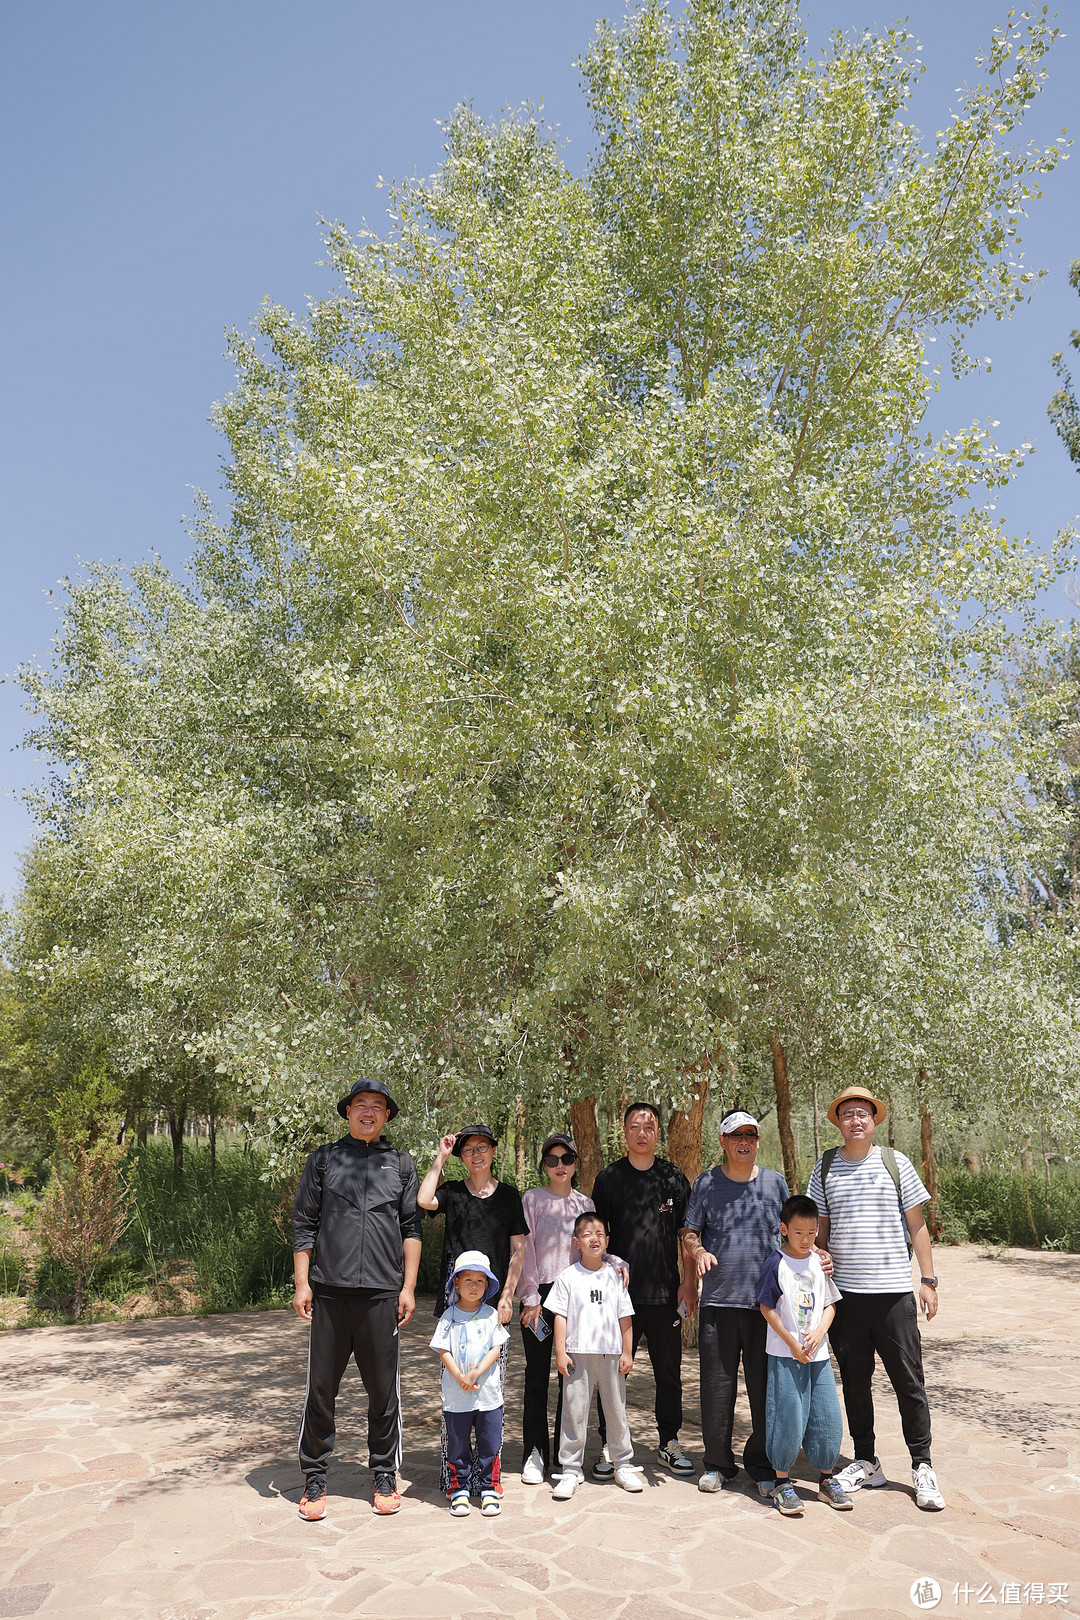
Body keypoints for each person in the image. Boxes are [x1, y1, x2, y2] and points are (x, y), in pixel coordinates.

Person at [806, 1085, 946, 1512]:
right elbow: (819, 1231)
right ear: (839, 1122)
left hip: (894, 1298)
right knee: (855, 1382)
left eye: (862, 1113)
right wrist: (818, 1255)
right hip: (846, 1298)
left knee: (909, 1382)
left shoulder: (895, 1164)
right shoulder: (825, 1166)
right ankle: (866, 1460)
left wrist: (928, 1279)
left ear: (874, 1119)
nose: (855, 1120)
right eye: (847, 1113)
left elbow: (917, 1224)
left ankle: (922, 1466)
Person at [292, 1079, 421, 1520]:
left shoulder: (400, 1164)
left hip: (383, 1295)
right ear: (347, 1112)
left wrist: (408, 1288)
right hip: (329, 1293)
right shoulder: (325, 1159)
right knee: (321, 1390)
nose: (369, 1111)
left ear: (387, 1116)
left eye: (378, 1106)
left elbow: (412, 1229)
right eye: (361, 1104)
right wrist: (302, 1283)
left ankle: (384, 1474)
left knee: (384, 1393)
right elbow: (304, 1224)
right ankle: (314, 1476)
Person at [680, 1110, 791, 1495]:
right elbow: (690, 1232)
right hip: (719, 1303)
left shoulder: (777, 1184)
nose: (744, 1141)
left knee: (765, 1391)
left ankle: (762, 1466)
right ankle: (717, 1464)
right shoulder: (707, 1183)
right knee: (717, 1388)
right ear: (724, 1141)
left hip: (767, 1307)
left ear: (757, 1140)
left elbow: (792, 1236)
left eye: (750, 1134)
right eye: (735, 1135)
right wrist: (698, 1253)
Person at [419, 1123, 527, 1493]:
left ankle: (487, 1478)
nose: (476, 1154)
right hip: (455, 1308)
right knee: (455, 1394)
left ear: (494, 1152)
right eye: (469, 1150)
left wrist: (508, 1295)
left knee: (490, 1395)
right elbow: (423, 1200)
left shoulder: (510, 1197)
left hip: (493, 1310)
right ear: (462, 1157)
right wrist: (441, 1156)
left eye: (483, 1147)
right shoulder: (452, 1192)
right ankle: (456, 1477)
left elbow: (518, 1250)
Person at [590, 1102, 696, 1477]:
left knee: (669, 1374)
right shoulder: (609, 1179)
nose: (641, 1133)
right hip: (619, 1300)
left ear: (657, 1134)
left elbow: (687, 1234)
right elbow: (595, 1237)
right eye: (635, 1126)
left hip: (667, 1296)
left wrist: (688, 1283)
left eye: (649, 1126)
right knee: (613, 1374)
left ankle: (668, 1441)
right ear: (625, 1132)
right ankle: (609, 1445)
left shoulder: (672, 1178)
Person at [518, 1132, 628, 1484]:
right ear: (543, 1165)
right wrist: (531, 1298)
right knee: (537, 1376)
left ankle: (570, 1457)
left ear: (575, 1163)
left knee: (574, 1377)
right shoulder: (532, 1199)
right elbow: (525, 1251)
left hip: (578, 1296)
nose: (559, 1166)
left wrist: (615, 1260)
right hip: (540, 1297)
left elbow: (593, 1244)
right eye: (552, 1160)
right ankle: (535, 1453)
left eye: (566, 1159)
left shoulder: (585, 1203)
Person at [755, 1194, 850, 1516]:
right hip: (785, 1355)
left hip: (819, 1357)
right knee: (788, 1416)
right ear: (784, 1229)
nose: (806, 1240)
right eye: (798, 1233)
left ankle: (826, 1479)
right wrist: (793, 1343)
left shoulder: (818, 1262)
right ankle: (782, 1482)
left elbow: (830, 1305)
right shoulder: (776, 1263)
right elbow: (766, 1308)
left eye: (811, 1233)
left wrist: (821, 1332)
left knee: (827, 1417)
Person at [547, 1212, 642, 1500]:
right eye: (587, 1234)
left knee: (615, 1411)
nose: (594, 1238)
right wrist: (560, 1352)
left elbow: (625, 1317)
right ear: (576, 1242)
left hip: (611, 1356)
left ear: (607, 1241)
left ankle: (622, 1464)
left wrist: (627, 1351)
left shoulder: (615, 1277)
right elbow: (560, 1317)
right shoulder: (567, 1277)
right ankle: (571, 1469)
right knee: (574, 1414)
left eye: (600, 1233)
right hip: (577, 1355)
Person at [429, 1249, 509, 1518]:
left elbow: (495, 1349)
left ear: (487, 1286)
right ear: (456, 1284)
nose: (474, 1286)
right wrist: (460, 1377)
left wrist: (475, 1373)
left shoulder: (491, 1315)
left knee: (489, 1442)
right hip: (456, 1396)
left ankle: (489, 1487)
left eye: (480, 1280)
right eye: (467, 1280)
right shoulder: (448, 1317)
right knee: (458, 1444)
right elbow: (443, 1351)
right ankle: (459, 1489)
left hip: (487, 1397)